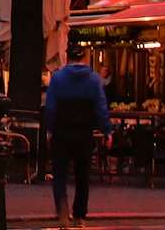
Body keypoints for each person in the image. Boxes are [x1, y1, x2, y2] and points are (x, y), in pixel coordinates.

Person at [45, 43, 110, 227]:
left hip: (61, 132)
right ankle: (79, 216)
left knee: (59, 175)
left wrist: (50, 129)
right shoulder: (93, 80)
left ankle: (63, 213)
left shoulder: (57, 79)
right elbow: (101, 107)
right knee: (82, 176)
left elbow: (50, 108)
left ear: (68, 57)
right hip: (84, 133)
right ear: (84, 58)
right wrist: (107, 130)